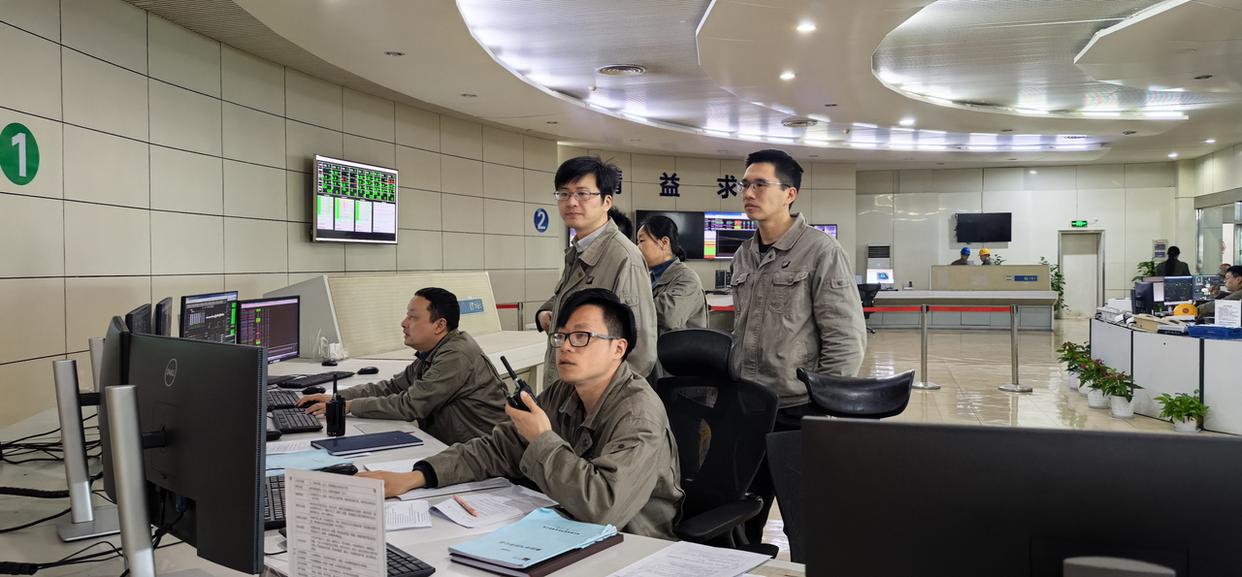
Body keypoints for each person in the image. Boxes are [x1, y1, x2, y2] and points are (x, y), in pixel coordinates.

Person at [358, 289, 684, 540]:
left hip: (633, 543)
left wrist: (542, 438)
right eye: (561, 336)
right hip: (567, 527)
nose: (566, 347)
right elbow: (498, 447)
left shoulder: (638, 414)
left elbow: (604, 508)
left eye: (581, 337)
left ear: (618, 348)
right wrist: (416, 477)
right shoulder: (563, 392)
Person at [727, 149, 866, 545]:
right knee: (740, 517)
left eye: (760, 184)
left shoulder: (821, 251)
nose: (748, 192)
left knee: (806, 523)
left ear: (790, 193)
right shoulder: (744, 254)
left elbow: (846, 339)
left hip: (798, 409)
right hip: (749, 408)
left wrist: (823, 406)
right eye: (745, 184)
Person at [298, 287, 507, 446]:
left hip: (486, 458)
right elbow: (392, 387)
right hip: (459, 450)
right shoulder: (434, 352)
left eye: (413, 317)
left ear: (440, 325)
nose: (404, 323)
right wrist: (338, 398)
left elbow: (410, 405)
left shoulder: (456, 355)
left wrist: (349, 406)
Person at [535, 157, 657, 387]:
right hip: (565, 394)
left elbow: (640, 354)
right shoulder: (578, 251)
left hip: (592, 399)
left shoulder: (624, 257)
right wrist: (545, 312)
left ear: (606, 201)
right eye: (564, 194)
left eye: (582, 194)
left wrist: (594, 399)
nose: (571, 202)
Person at [636, 215, 707, 335]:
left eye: (641, 241)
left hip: (679, 347)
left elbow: (669, 316)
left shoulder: (687, 278)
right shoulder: (650, 277)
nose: (637, 248)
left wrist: (633, 304)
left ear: (664, 242)